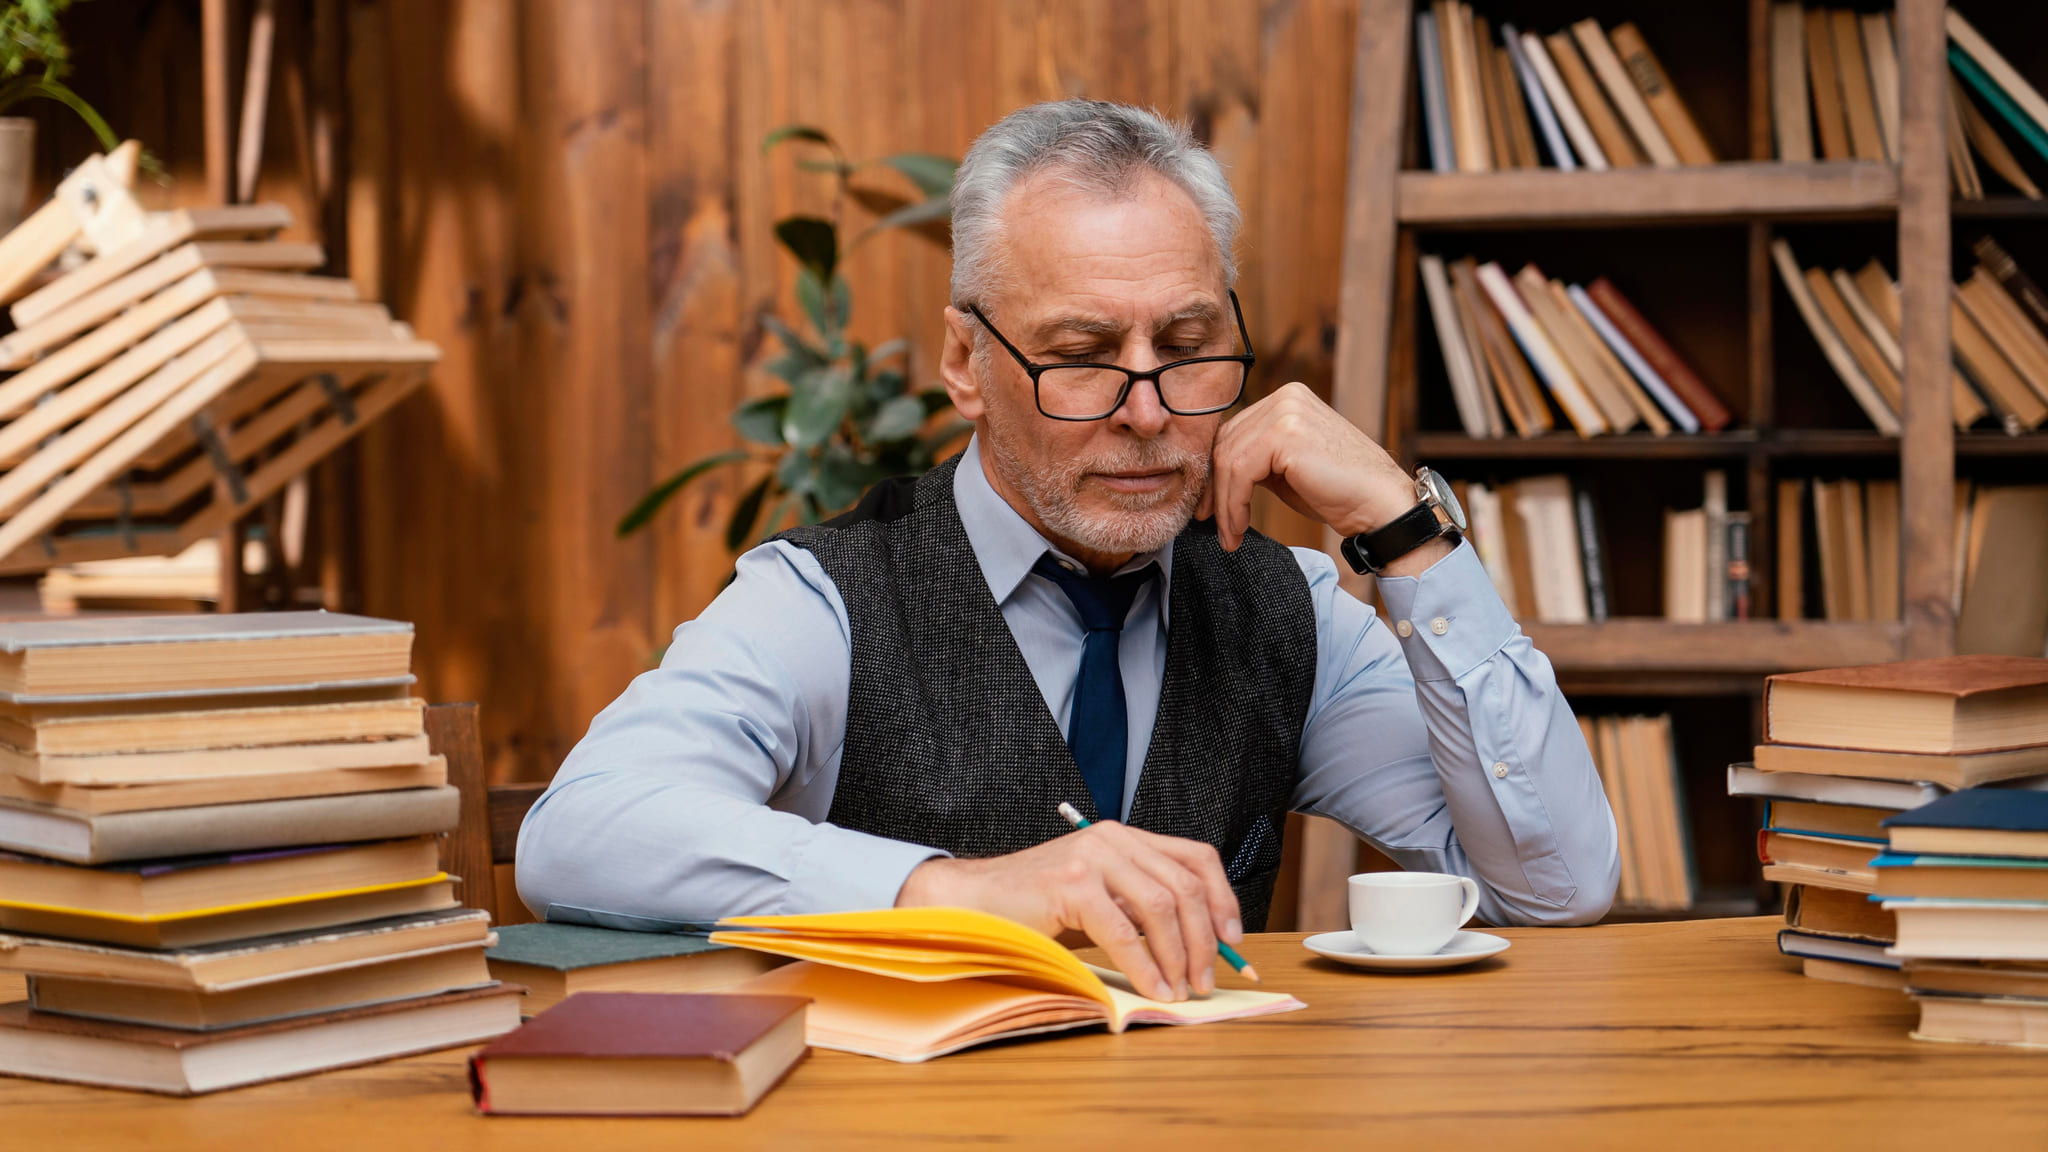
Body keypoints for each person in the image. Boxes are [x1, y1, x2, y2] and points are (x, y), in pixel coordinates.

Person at [518, 100, 1618, 1005]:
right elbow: (578, 835)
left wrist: (1408, 531)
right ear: (965, 361)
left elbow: (1553, 889)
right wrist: (957, 893)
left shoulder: (1289, 609)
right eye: (1081, 355)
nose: (1145, 413)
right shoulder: (825, 599)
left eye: (1186, 350)